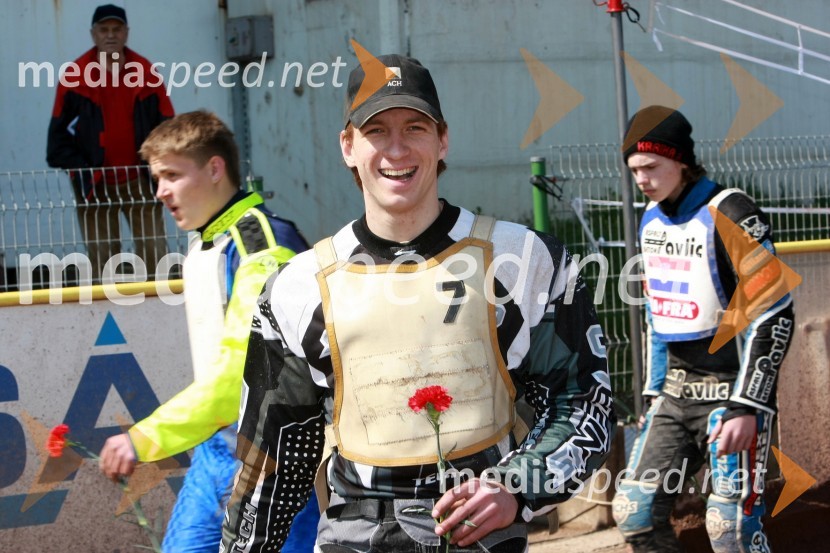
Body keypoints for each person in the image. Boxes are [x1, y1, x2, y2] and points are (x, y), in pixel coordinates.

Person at [220, 54, 615, 552]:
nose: (397, 148)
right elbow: (273, 459)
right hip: (353, 534)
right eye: (377, 131)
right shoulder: (296, 288)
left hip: (480, 534)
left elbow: (585, 400)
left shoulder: (524, 259)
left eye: (415, 127)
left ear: (442, 139)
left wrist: (516, 487)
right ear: (348, 146)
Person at [98, 111, 319, 552]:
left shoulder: (259, 247)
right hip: (221, 449)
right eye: (157, 178)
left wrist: (143, 438)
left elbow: (237, 382)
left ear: (215, 169)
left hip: (276, 457)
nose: (159, 191)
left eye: (172, 176)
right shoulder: (211, 239)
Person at [612, 105, 795, 553]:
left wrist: (748, 405)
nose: (642, 180)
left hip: (731, 392)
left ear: (683, 161)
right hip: (675, 392)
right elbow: (659, 313)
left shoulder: (731, 210)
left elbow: (775, 311)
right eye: (635, 170)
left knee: (729, 529)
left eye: (652, 167)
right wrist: (653, 393)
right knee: (633, 512)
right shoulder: (651, 217)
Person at [47, 4, 174, 283]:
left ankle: (164, 317)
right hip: (95, 185)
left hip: (139, 180)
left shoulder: (146, 73)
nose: (111, 35)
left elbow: (167, 127)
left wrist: (158, 169)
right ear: (93, 34)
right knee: (103, 263)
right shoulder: (74, 76)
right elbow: (56, 143)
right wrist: (83, 172)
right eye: (104, 30)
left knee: (156, 257)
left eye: (117, 29)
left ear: (126, 33)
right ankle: (106, 321)